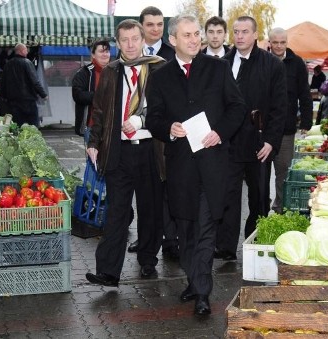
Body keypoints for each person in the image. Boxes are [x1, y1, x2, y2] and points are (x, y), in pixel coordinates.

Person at [146, 14, 245, 315]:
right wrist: (169, 129)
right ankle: (193, 279)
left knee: (205, 226)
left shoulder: (218, 68)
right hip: (180, 166)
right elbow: (154, 118)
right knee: (185, 227)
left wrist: (221, 132)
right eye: (186, 35)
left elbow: (237, 106)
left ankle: (202, 292)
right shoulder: (160, 76)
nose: (193, 40)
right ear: (172, 40)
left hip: (213, 163)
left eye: (196, 34)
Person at [85, 19, 166, 287]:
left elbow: (164, 111)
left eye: (135, 39)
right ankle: (109, 271)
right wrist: (94, 142)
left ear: (143, 40)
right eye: (124, 40)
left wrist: (142, 122)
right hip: (118, 152)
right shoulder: (110, 72)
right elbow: (98, 110)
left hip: (149, 151)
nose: (130, 45)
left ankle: (147, 260)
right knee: (116, 212)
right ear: (117, 43)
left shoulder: (159, 69)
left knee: (150, 209)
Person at [216, 16, 287, 260]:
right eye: (236, 31)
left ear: (256, 35)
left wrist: (271, 141)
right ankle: (225, 247)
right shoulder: (223, 63)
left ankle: (254, 243)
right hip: (229, 143)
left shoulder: (272, 65)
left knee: (258, 198)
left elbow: (280, 107)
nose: (239, 36)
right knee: (228, 195)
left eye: (245, 31)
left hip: (259, 143)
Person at [128, 6, 179, 261]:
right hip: (137, 137)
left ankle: (171, 241)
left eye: (159, 24)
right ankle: (146, 238)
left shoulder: (171, 54)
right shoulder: (130, 53)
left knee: (167, 188)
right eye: (150, 25)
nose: (155, 29)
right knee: (144, 192)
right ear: (141, 26)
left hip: (163, 131)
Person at [267, 27, 313, 214]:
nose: (279, 46)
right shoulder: (262, 61)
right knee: (260, 174)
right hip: (263, 127)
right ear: (269, 42)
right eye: (275, 42)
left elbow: (305, 94)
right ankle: (262, 205)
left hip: (286, 128)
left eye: (282, 42)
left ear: (287, 42)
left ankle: (280, 207)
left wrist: (306, 122)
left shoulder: (297, 63)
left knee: (283, 171)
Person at [1, 43, 47, 127]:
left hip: (13, 102)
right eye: (26, 50)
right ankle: (33, 140)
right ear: (21, 51)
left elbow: (3, 83)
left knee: (17, 126)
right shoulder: (27, 63)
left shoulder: (8, 65)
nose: (27, 52)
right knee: (33, 126)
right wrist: (43, 94)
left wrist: (4, 97)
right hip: (28, 100)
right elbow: (35, 81)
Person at [71, 39, 111, 136]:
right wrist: (101, 96)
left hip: (112, 125)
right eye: (101, 51)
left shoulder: (116, 71)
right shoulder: (84, 73)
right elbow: (78, 95)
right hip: (91, 126)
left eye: (107, 51)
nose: (105, 54)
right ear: (93, 54)